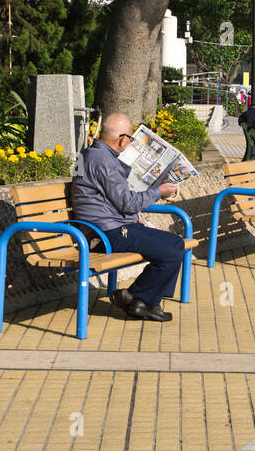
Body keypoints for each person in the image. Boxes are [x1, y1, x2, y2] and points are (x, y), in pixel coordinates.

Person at [71, 113, 185, 322]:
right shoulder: (104, 160)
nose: (130, 143)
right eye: (130, 139)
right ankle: (135, 297)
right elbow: (127, 202)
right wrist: (159, 192)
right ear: (122, 139)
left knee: (177, 244)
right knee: (170, 253)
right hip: (105, 233)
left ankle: (145, 303)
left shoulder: (91, 154)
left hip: (113, 227)